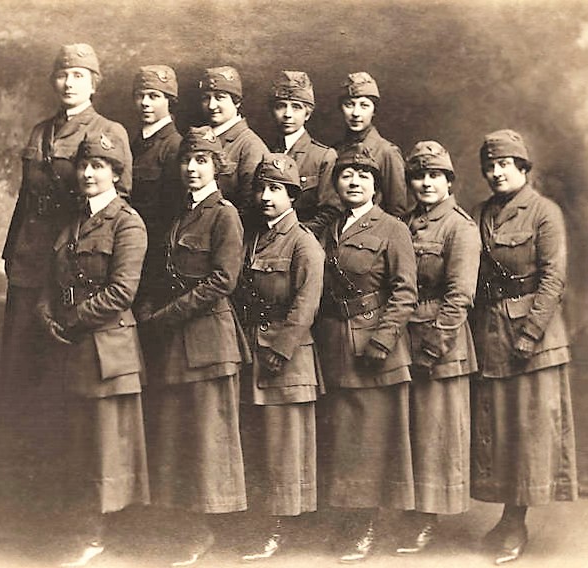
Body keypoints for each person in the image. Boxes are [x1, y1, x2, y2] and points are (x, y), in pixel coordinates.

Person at [36, 131, 148, 567]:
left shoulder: (128, 223)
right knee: (79, 445)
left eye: (99, 166)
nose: (87, 173)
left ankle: (98, 537)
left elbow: (122, 292)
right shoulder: (72, 222)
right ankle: (87, 532)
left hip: (108, 351)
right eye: (84, 165)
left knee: (106, 450)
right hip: (72, 348)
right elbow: (53, 282)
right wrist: (46, 314)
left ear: (117, 174)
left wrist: (71, 320)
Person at [141, 126, 248, 566]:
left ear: (217, 168)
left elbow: (223, 280)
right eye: (187, 160)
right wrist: (150, 306)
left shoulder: (225, 215)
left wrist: (165, 316)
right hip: (178, 340)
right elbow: (165, 271)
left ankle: (204, 532)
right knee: (178, 437)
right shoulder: (180, 214)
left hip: (209, 340)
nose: (191, 168)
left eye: (202, 160)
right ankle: (182, 526)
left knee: (207, 440)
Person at [471, 129, 577, 564]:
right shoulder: (478, 213)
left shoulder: (544, 213)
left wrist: (530, 334)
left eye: (505, 165)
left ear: (523, 168)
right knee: (498, 431)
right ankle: (506, 517)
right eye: (490, 167)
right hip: (490, 332)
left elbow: (554, 279)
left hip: (534, 338)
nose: (496, 173)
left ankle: (517, 522)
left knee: (527, 432)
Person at [1, 43, 133, 391]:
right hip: (28, 260)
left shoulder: (109, 131)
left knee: (62, 370)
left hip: (73, 262)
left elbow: (115, 206)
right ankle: (17, 440)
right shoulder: (39, 132)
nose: (68, 83)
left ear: (94, 84)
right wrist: (10, 254)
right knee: (19, 362)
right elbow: (25, 200)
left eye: (78, 76)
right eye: (62, 75)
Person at [315, 143, 417, 563]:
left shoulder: (392, 228)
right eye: (346, 175)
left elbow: (405, 291)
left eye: (363, 176)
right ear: (336, 183)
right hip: (331, 341)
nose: (353, 181)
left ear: (376, 186)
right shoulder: (326, 229)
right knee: (339, 437)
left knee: (368, 441)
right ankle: (343, 516)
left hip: (373, 345)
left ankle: (365, 524)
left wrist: (382, 339)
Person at [235, 154, 325, 561]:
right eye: (262, 189)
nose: (267, 197)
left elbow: (306, 306)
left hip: (287, 359)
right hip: (253, 348)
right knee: (257, 442)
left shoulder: (304, 243)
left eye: (276, 190)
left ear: (293, 196)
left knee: (285, 446)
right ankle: (260, 521)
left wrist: (281, 349)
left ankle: (280, 528)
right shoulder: (253, 237)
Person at [396, 141, 481, 554]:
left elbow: (460, 296)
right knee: (409, 430)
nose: (426, 183)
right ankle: (410, 512)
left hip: (440, 342)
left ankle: (425, 520)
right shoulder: (404, 222)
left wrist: (433, 346)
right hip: (402, 338)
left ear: (449, 181)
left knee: (433, 433)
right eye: (418, 175)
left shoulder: (460, 227)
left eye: (435, 176)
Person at [267, 70, 341, 237]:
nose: (287, 114)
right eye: (281, 106)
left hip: (305, 241)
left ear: (307, 114)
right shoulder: (265, 153)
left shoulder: (323, 156)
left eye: (296, 107)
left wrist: (294, 236)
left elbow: (331, 211)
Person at [129, 64, 184, 281]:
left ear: (170, 101)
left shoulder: (175, 147)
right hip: (128, 246)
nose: (145, 103)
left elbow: (173, 213)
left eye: (154, 96)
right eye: (140, 96)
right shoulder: (135, 144)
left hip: (153, 253)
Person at [199, 65, 268, 228]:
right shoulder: (200, 138)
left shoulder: (250, 146)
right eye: (206, 98)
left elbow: (250, 209)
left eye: (220, 97)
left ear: (236, 102)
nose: (211, 105)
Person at [334, 71, 411, 217]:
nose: (356, 113)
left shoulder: (387, 152)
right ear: (341, 108)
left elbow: (397, 211)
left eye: (364, 105)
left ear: (374, 110)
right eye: (349, 105)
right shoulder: (334, 151)